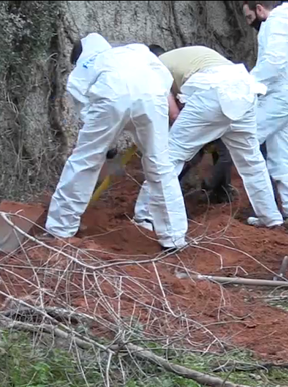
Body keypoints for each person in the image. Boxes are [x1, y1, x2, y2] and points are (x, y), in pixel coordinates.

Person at [45, 33, 188, 251]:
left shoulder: (83, 68)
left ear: (79, 56)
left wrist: (106, 148)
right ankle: (174, 238)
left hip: (110, 96)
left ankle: (59, 230)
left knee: (84, 162)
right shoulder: (136, 50)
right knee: (160, 165)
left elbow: (85, 111)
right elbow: (163, 77)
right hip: (152, 96)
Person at [133, 45, 284, 229]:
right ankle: (270, 217)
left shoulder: (153, 68)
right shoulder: (184, 56)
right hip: (244, 89)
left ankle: (144, 215)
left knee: (170, 155)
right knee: (251, 161)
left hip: (212, 90)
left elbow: (174, 115)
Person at [243, 0, 288, 222]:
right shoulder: (284, 24)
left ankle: (267, 213)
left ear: (259, 9)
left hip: (280, 98)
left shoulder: (275, 24)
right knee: (281, 159)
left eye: (249, 17)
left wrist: (246, 84)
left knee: (244, 141)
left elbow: (273, 63)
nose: (249, 22)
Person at [149, 44, 238, 204]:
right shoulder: (180, 63)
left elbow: (175, 114)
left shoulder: (159, 71)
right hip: (220, 106)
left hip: (204, 111)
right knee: (216, 153)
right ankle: (213, 191)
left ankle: (210, 189)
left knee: (183, 155)